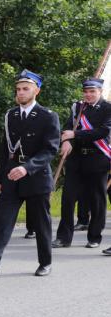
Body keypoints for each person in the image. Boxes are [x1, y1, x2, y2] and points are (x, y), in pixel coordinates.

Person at [0, 70, 59, 280]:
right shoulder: (11, 115)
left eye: (25, 89)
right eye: (18, 89)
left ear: (36, 91)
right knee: (2, 221)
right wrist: (1, 178)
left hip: (36, 177)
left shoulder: (47, 116)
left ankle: (45, 262)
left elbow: (50, 149)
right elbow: (5, 148)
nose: (20, 92)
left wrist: (27, 167)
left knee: (41, 224)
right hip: (11, 175)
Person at [52, 77, 111, 249]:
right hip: (76, 159)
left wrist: (75, 135)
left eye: (92, 91)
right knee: (68, 198)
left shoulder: (108, 108)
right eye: (86, 91)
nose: (88, 95)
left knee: (97, 200)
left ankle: (94, 237)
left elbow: (103, 132)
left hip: (98, 158)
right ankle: (63, 237)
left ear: (100, 92)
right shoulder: (78, 107)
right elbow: (68, 127)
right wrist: (66, 141)